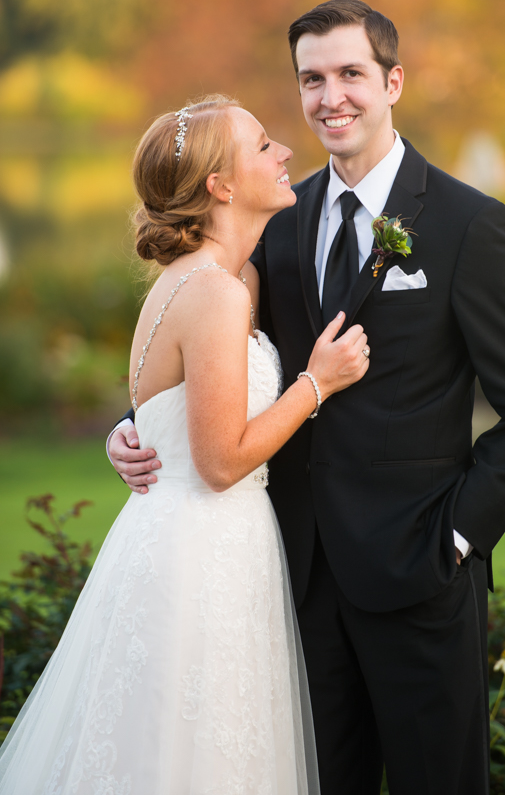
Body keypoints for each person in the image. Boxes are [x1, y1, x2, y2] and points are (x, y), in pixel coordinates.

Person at [109, 0, 505, 795]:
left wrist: (455, 542)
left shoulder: (465, 223)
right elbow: (209, 349)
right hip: (295, 580)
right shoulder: (275, 221)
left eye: (351, 74)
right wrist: (138, 428)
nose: (330, 97)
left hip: (420, 579)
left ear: (391, 82)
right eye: (311, 79)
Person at [0, 94, 370, 795]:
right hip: (200, 548)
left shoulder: (227, 280)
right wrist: (315, 385)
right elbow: (221, 460)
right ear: (220, 186)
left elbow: (168, 406)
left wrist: (126, 426)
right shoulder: (214, 292)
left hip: (205, 538)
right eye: (263, 146)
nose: (285, 151)